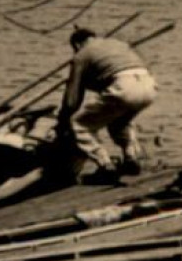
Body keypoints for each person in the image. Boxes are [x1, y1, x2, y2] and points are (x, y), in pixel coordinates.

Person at [59, 27, 158, 178]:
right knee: (120, 121)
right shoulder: (118, 43)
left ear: (77, 45)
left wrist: (63, 120)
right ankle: (131, 157)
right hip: (149, 86)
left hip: (124, 87)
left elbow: (71, 101)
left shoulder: (81, 55)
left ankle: (105, 165)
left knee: (79, 124)